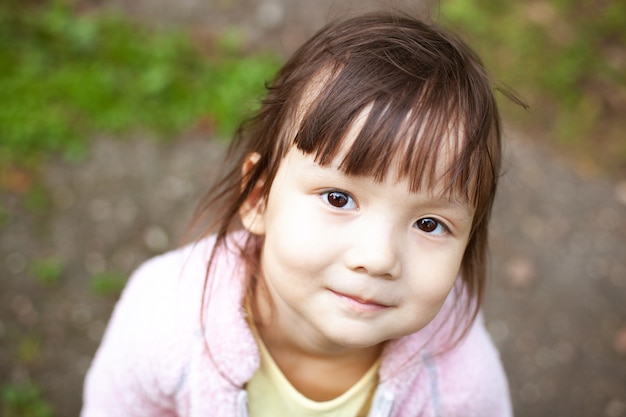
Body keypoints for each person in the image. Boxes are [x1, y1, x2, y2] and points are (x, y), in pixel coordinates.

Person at [82, 11, 518, 417]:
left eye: (429, 224)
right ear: (258, 197)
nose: (379, 258)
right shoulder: (166, 319)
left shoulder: (462, 382)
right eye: (338, 198)